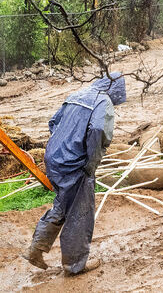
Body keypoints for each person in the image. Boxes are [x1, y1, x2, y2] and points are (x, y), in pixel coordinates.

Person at [23, 72, 127, 275]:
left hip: (54, 159)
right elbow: (98, 129)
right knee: (80, 213)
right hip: (74, 164)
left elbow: (53, 122)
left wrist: (62, 145)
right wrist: (92, 162)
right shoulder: (103, 102)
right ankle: (75, 265)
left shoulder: (78, 94)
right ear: (115, 90)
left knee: (62, 204)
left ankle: (36, 248)